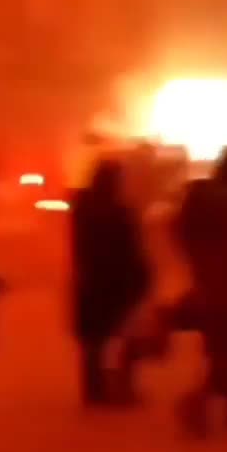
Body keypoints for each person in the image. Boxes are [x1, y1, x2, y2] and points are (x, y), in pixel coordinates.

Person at [175, 143, 227, 435]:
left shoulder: (200, 196)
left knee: (222, 347)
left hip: (207, 282)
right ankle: (198, 406)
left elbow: (180, 232)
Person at [71, 157, 151, 406]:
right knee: (129, 336)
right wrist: (143, 278)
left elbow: (80, 246)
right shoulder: (120, 212)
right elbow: (132, 249)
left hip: (91, 281)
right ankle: (123, 386)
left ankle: (94, 391)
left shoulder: (82, 209)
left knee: (94, 341)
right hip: (118, 282)